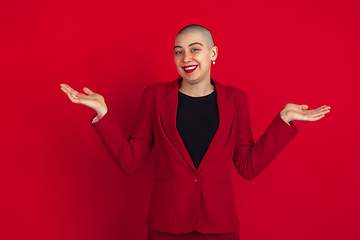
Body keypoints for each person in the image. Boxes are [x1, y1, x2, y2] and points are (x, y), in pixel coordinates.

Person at [60, 24, 330, 240]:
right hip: (166, 225)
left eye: (195, 49)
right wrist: (103, 114)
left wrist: (283, 120)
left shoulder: (236, 100)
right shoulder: (154, 96)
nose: (185, 58)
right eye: (178, 51)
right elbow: (130, 162)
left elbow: (247, 166)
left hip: (220, 227)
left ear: (213, 54)